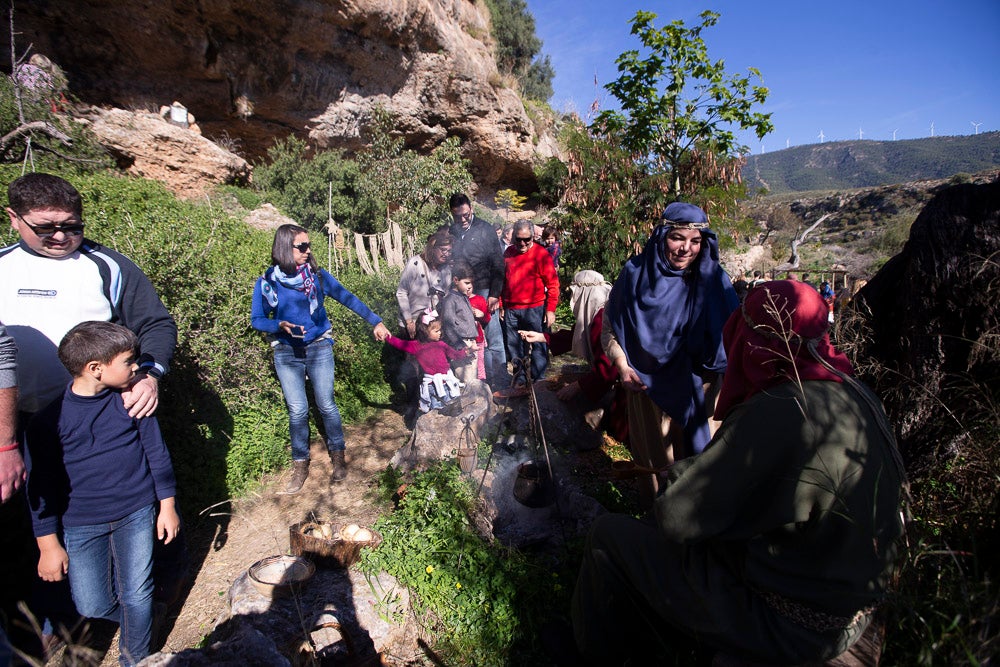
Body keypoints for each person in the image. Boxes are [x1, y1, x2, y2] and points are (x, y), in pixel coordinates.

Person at [570, 280, 906, 665]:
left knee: (609, 535)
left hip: (793, 623)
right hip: (852, 608)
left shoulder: (779, 409)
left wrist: (678, 478)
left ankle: (590, 654)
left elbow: (678, 518)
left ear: (750, 340)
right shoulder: (857, 392)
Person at [0, 172, 178, 656]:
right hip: (25, 422)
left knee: (105, 512)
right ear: (14, 218)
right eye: (46, 227)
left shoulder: (106, 265)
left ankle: (122, 617)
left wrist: (149, 372)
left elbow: (156, 322)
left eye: (72, 226)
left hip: (107, 415)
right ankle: (58, 622)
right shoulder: (3, 269)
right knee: (39, 524)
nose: (61, 236)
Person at [25, 322, 180, 667]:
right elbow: (41, 488)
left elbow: (157, 453)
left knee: (136, 593)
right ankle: (146, 616)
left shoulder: (131, 400)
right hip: (81, 523)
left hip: (137, 511)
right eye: (128, 361)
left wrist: (166, 505)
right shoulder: (48, 423)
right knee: (91, 604)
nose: (136, 367)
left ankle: (135, 658)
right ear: (95, 369)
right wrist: (48, 545)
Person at [602, 202, 738, 508]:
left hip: (702, 391)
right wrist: (622, 365)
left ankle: (698, 532)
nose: (685, 249)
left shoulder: (715, 281)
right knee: (657, 467)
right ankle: (659, 529)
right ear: (662, 235)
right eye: (678, 238)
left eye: (695, 241)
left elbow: (734, 337)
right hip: (647, 387)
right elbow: (610, 325)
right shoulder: (635, 274)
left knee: (702, 467)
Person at [251, 224, 389, 493]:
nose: (308, 251)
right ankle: (300, 465)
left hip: (318, 347)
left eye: (308, 245)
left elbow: (347, 297)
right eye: (302, 247)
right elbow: (257, 319)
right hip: (286, 353)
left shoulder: (316, 277)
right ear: (284, 248)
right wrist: (278, 325)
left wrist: (375, 321)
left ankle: (338, 458)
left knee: (326, 404)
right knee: (298, 411)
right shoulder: (267, 283)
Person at [517, 270, 628, 445]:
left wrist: (577, 386)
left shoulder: (600, 318)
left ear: (584, 293)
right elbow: (577, 335)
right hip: (620, 384)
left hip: (626, 389)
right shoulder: (595, 313)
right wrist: (540, 336)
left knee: (627, 436)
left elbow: (608, 368)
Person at [448, 194, 507, 388]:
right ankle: (479, 382)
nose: (462, 220)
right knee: (471, 340)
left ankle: (500, 381)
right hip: (460, 294)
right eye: (458, 217)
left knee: (493, 338)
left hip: (484, 290)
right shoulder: (452, 232)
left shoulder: (485, 229)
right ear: (452, 214)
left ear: (471, 209)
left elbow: (498, 263)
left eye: (465, 215)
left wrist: (494, 294)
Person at [498, 219, 560, 396]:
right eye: (519, 239)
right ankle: (520, 380)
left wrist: (551, 309)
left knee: (539, 345)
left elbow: (553, 283)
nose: (523, 243)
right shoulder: (508, 253)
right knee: (514, 347)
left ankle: (539, 381)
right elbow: (503, 281)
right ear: (513, 238)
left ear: (533, 236)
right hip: (512, 309)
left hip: (536, 308)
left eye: (527, 239)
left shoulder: (541, 254)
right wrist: (502, 305)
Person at [383, 310, 468, 413]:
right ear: (425, 331)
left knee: (453, 410)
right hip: (431, 385)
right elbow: (400, 343)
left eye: (440, 330)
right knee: (435, 412)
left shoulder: (441, 345)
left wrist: (467, 351)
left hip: (447, 383)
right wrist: (386, 336)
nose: (440, 333)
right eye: (436, 331)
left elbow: (455, 355)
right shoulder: (416, 346)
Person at [395, 229, 453, 339]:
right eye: (443, 250)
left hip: (431, 327)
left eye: (449, 251)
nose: (446, 254)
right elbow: (401, 293)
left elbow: (445, 297)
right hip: (411, 324)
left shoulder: (446, 271)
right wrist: (409, 321)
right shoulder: (416, 263)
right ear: (433, 248)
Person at [438, 260, 481, 384]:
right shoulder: (450, 300)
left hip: (470, 341)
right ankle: (464, 402)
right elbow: (448, 324)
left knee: (472, 376)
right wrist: (459, 345)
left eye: (470, 283)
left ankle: (472, 401)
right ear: (455, 280)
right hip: (461, 343)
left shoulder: (463, 297)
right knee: (464, 379)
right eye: (466, 283)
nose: (469, 286)